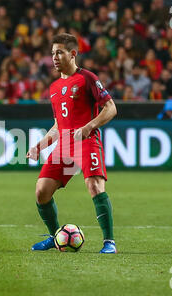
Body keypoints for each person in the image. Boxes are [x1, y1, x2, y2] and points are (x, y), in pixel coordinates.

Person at [26, 33, 118, 254]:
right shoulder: (55, 88)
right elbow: (58, 125)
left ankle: (109, 243)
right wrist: (39, 145)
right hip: (64, 146)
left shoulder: (87, 78)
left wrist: (88, 127)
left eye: (59, 52)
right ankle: (55, 236)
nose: (54, 58)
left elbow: (111, 108)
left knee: (95, 186)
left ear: (73, 53)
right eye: (52, 54)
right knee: (42, 191)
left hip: (87, 141)